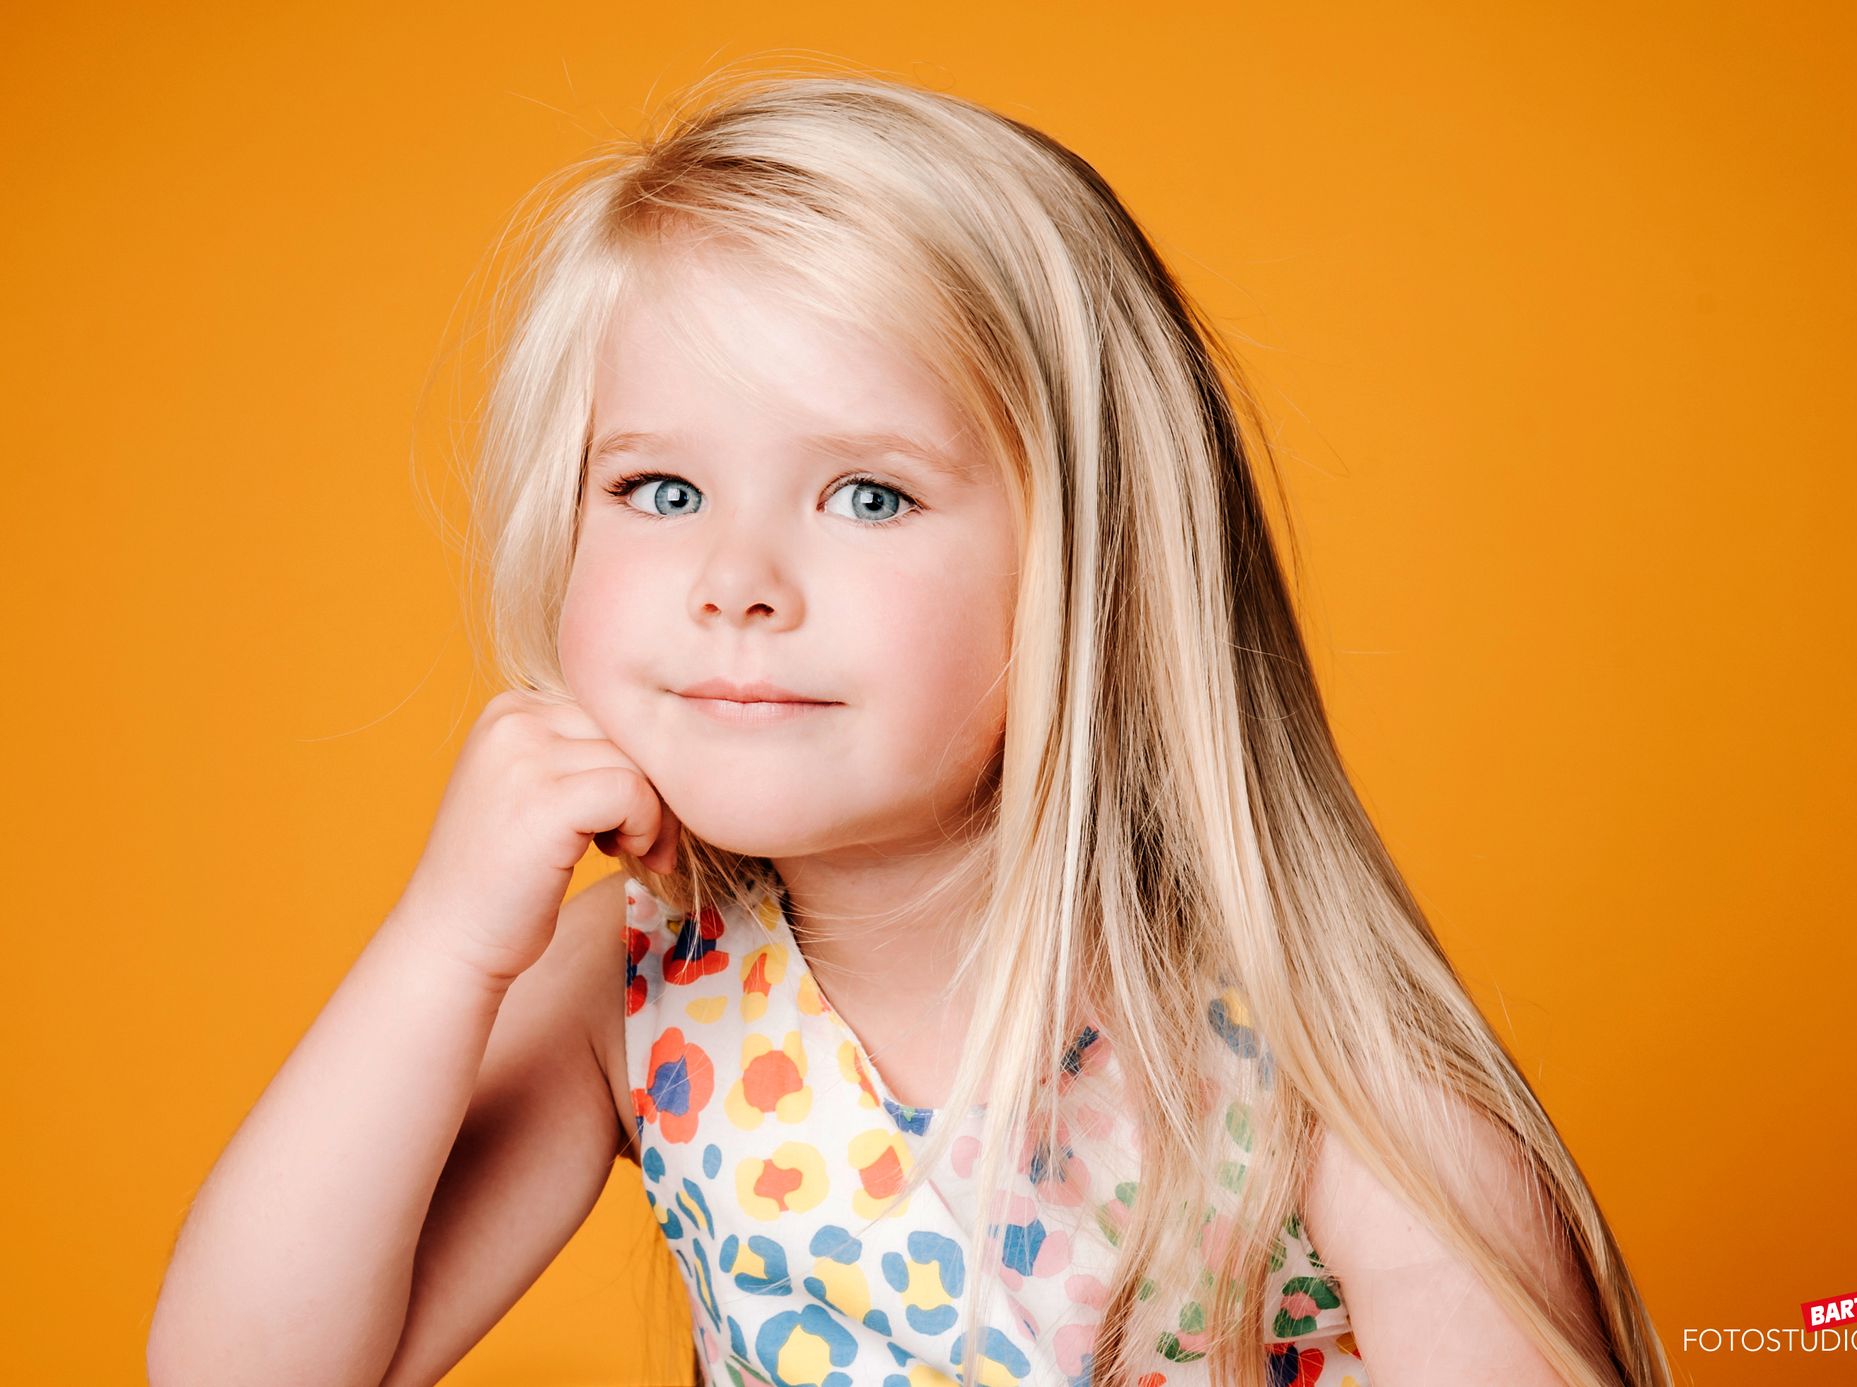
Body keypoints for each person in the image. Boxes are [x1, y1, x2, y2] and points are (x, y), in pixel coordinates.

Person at [148, 68, 1670, 1387]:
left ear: (1102, 569)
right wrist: (442, 948)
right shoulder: (635, 991)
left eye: (868, 494)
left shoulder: (1297, 1032)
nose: (734, 583)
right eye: (658, 491)